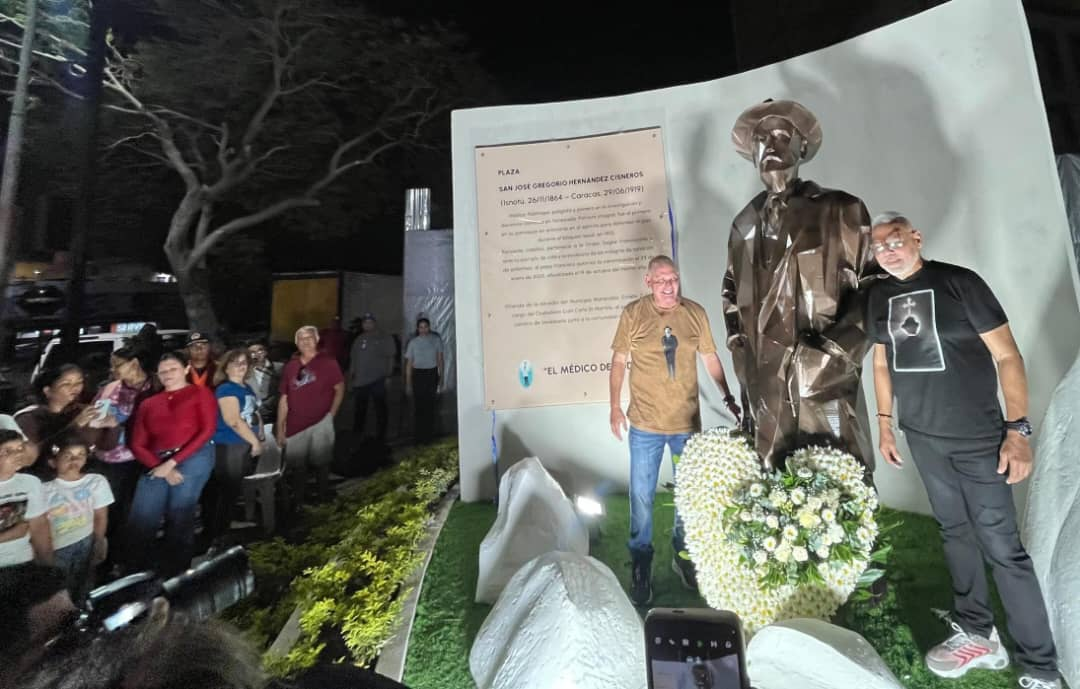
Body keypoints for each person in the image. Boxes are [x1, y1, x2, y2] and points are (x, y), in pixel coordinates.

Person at [867, 212, 1059, 689]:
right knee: (954, 533)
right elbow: (881, 363)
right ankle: (979, 633)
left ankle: (1040, 666)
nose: (888, 251)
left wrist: (1018, 432)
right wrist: (886, 425)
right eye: (878, 246)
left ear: (916, 237)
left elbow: (1008, 355)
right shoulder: (878, 297)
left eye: (895, 240)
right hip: (924, 439)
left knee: (1002, 548)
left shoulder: (958, 283)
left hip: (978, 440)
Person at [723, 99, 874, 470]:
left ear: (801, 147)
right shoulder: (743, 225)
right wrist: (740, 353)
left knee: (837, 478)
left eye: (781, 135)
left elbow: (875, 288)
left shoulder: (841, 209)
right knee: (772, 484)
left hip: (823, 374)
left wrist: (834, 352)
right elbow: (730, 293)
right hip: (763, 382)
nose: (771, 145)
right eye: (761, 137)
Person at [609, 255, 741, 605]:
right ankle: (641, 563)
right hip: (645, 426)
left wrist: (726, 395)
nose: (669, 286)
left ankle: (683, 557)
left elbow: (710, 357)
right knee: (641, 499)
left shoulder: (694, 313)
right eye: (662, 280)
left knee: (689, 497)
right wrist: (613, 408)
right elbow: (619, 360)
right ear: (649, 282)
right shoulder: (633, 314)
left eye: (674, 279)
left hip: (686, 425)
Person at [126, 352, 218, 577]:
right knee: (142, 514)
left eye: (173, 369)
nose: (168, 374)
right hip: (157, 460)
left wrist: (173, 463)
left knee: (180, 511)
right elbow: (137, 443)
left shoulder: (200, 393)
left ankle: (177, 571)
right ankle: (136, 572)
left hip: (193, 454)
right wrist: (161, 466)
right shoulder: (149, 403)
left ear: (186, 369)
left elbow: (206, 431)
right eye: (163, 370)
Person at [88, 346, 156, 568]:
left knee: (129, 512)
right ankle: (103, 561)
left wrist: (117, 425)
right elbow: (96, 416)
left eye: (117, 364)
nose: (113, 369)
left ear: (135, 363)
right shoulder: (110, 389)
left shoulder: (154, 388)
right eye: (112, 364)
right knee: (105, 512)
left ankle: (123, 560)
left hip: (134, 460)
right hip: (104, 458)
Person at [42, 432, 113, 604]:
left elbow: (100, 516)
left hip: (86, 541)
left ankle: (81, 618)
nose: (74, 461)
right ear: (52, 461)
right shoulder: (43, 489)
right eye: (68, 456)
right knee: (57, 589)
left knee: (84, 583)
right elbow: (40, 524)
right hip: (57, 546)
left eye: (80, 455)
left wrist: (98, 540)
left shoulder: (96, 482)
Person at [276, 326, 344, 506]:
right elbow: (284, 397)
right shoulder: (290, 366)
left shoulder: (328, 362)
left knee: (322, 463)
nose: (305, 341)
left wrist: (331, 414)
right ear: (296, 342)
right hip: (295, 424)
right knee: (298, 467)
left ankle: (322, 499)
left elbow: (339, 389)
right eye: (301, 338)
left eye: (309, 338)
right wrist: (280, 427)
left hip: (321, 422)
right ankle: (298, 502)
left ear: (316, 339)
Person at [15, 365, 118, 475]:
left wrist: (112, 427)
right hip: (45, 478)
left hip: (83, 476)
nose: (75, 388)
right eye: (66, 384)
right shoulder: (28, 418)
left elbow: (106, 446)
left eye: (79, 382)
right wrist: (75, 425)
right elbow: (29, 457)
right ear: (48, 390)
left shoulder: (83, 411)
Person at [206, 350, 262, 548]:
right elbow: (232, 420)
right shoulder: (226, 389)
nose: (241, 366)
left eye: (244, 362)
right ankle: (217, 536)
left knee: (232, 490)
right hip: (229, 444)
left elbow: (254, 413)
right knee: (226, 492)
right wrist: (254, 442)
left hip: (242, 444)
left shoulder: (245, 387)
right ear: (226, 366)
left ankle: (222, 530)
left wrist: (259, 435)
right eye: (235, 362)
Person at [0, 429, 52, 569]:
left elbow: (39, 528)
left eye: (20, 448)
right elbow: (21, 528)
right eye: (7, 451)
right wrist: (15, 531)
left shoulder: (30, 483)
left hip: (22, 562)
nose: (18, 454)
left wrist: (48, 568)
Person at [349, 312, 395, 443]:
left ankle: (381, 436)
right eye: (365, 322)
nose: (367, 325)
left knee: (380, 408)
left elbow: (390, 357)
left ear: (374, 323)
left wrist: (389, 375)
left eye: (370, 322)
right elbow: (354, 359)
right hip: (360, 381)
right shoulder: (358, 339)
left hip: (378, 379)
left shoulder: (384, 337)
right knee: (360, 409)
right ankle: (357, 435)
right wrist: (351, 377)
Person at [404, 317, 444, 444]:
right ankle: (419, 437)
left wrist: (441, 376)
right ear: (417, 328)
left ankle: (429, 436)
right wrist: (408, 382)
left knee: (430, 406)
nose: (423, 329)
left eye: (425, 327)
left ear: (429, 327)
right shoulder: (413, 342)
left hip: (431, 374)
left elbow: (440, 359)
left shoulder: (435, 340)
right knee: (419, 406)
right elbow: (409, 363)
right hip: (418, 375)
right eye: (420, 327)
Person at [247, 339, 281, 424]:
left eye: (260, 350)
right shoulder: (245, 371)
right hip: (253, 416)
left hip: (274, 414)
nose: (256, 354)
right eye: (252, 352)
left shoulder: (278, 368)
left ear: (265, 352)